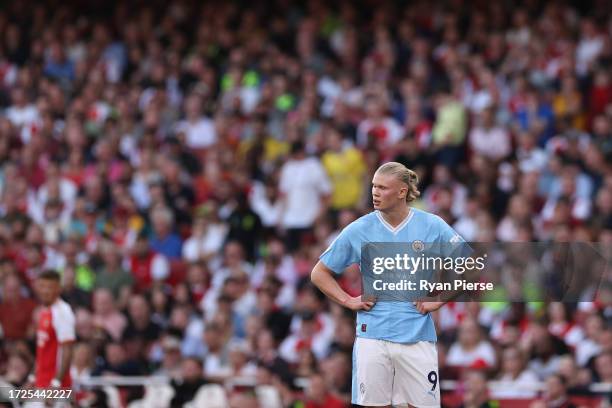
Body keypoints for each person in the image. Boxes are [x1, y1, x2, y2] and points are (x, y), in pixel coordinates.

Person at [311, 161, 465, 407]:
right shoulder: (359, 229)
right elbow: (319, 273)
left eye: (382, 187)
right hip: (372, 337)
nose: (375, 192)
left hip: (417, 337)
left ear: (402, 192)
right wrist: (348, 300)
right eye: (373, 186)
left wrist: (439, 300)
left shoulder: (432, 225)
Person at [32, 270, 76, 389]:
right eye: (42, 286)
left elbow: (67, 351)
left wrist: (55, 384)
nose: (45, 291)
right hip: (42, 382)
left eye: (50, 287)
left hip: (55, 386)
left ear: (58, 289)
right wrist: (32, 378)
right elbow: (42, 349)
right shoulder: (44, 310)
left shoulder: (63, 312)